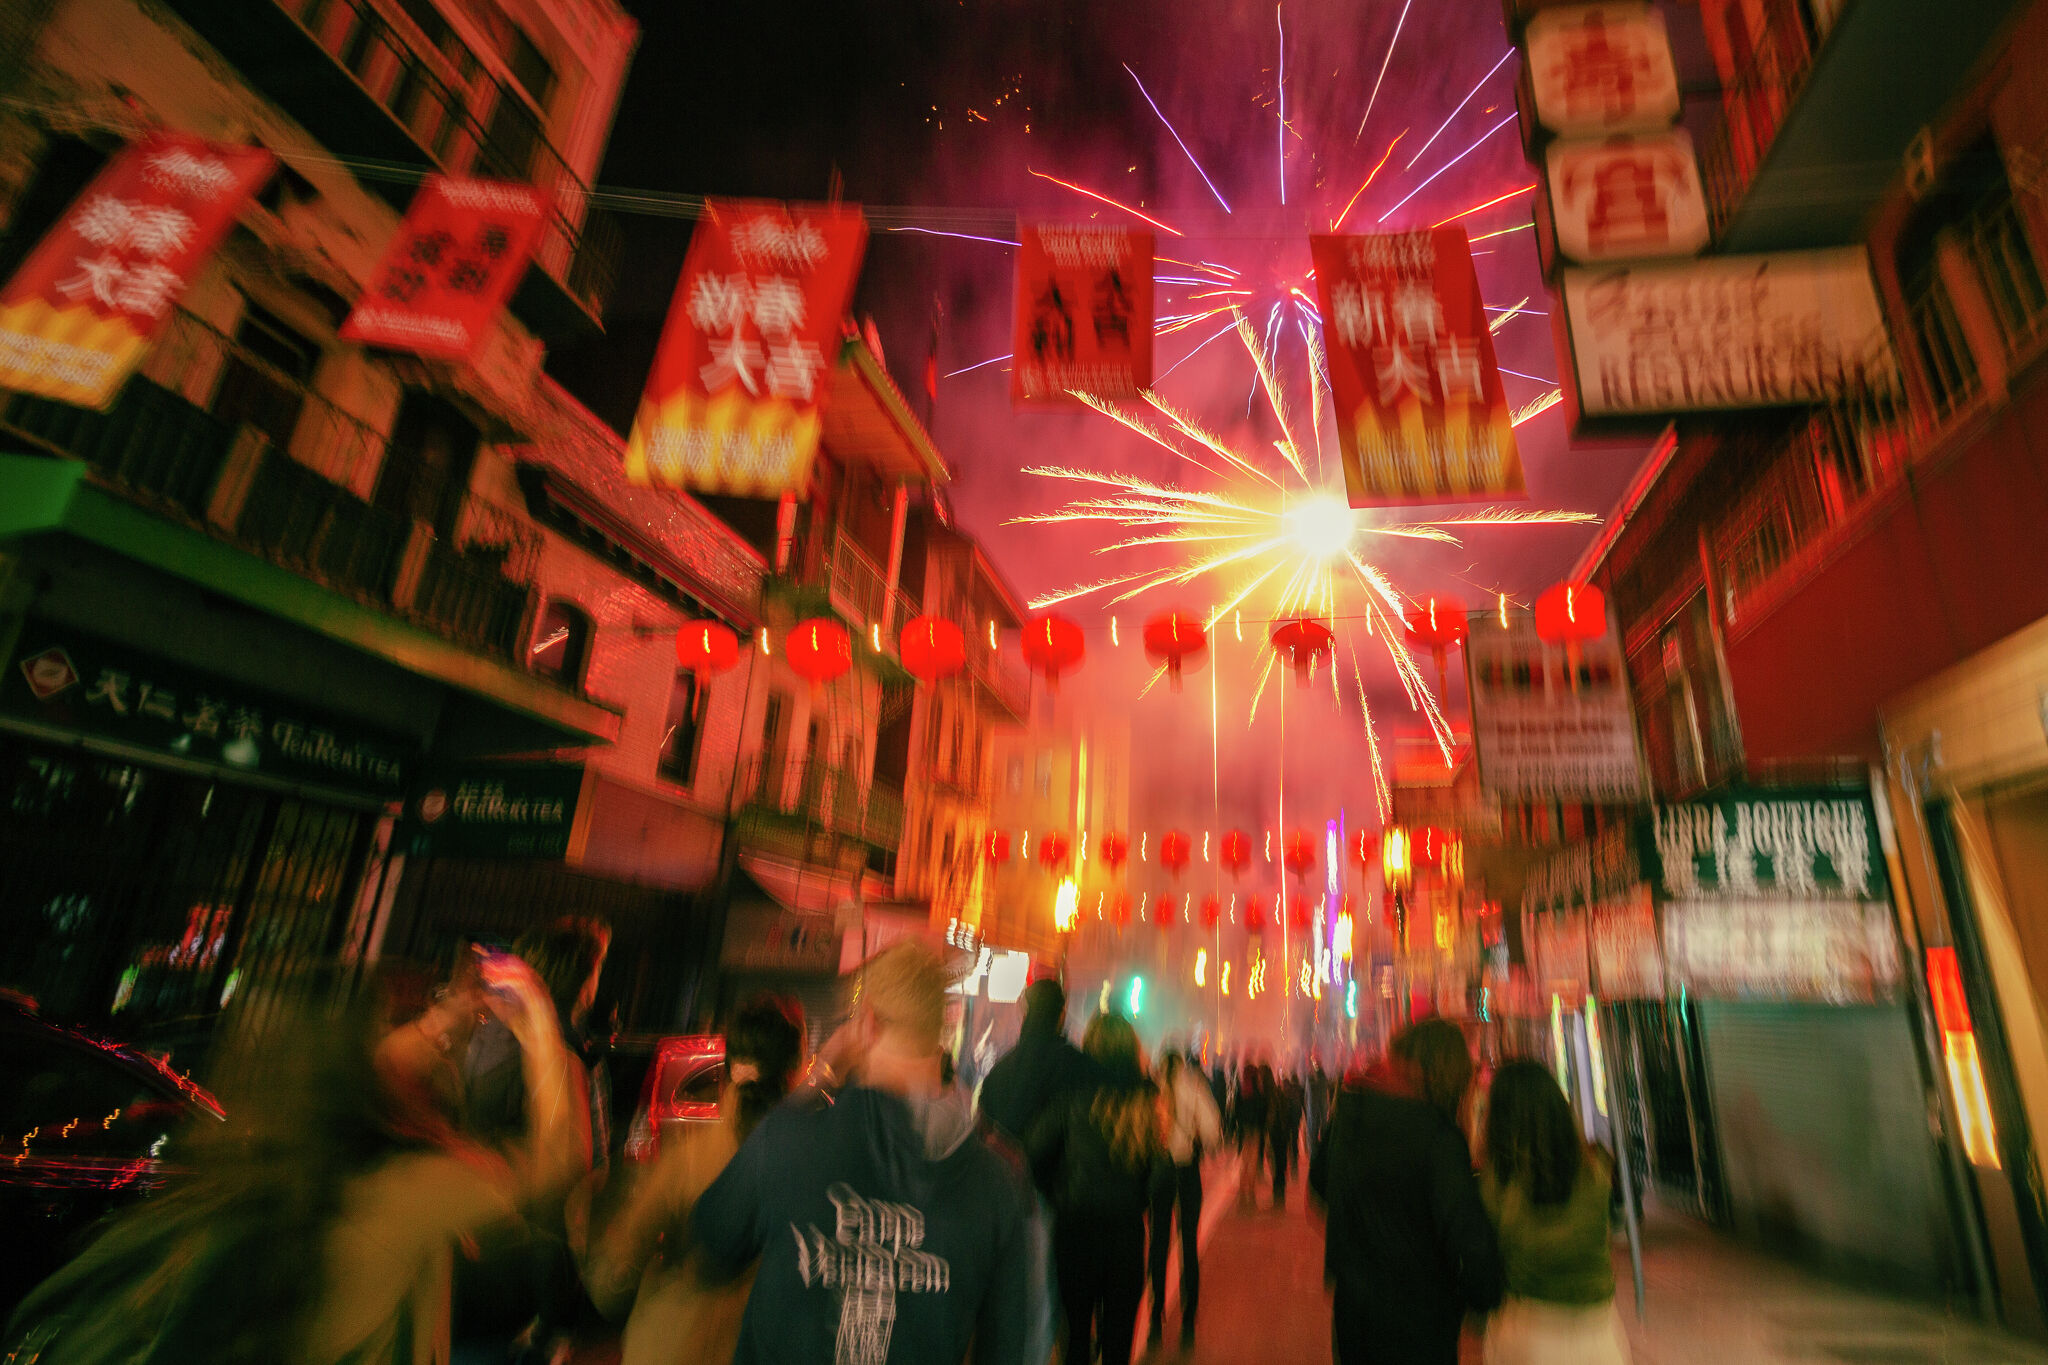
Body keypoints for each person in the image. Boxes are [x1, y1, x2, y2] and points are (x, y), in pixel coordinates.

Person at [3, 956, 587, 1365]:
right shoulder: (405, 1190)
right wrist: (537, 1017)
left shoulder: (223, 1175)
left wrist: (451, 1015)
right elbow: (555, 1161)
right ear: (358, 1060)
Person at [692, 940, 1042, 1365]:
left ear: (867, 1023)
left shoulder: (792, 1138)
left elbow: (714, 1235)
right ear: (941, 1031)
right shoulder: (997, 1182)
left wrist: (821, 1073)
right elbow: (1009, 1347)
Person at [585, 995, 807, 1365]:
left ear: (728, 1063)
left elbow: (615, 1272)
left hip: (674, 1345)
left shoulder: (689, 1158)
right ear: (796, 1068)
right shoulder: (815, 1162)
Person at [1310, 1019, 1503, 1365]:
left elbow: (1319, 1187)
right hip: (1420, 1318)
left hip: (1353, 1309)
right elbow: (1465, 1234)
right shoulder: (1438, 1137)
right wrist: (1485, 1297)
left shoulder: (1350, 1115)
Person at [1027, 1012, 1161, 1365]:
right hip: (1127, 1233)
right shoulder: (1147, 1099)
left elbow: (1032, 1154)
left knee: (1075, 1339)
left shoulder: (1070, 1094)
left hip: (1076, 1228)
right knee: (1118, 1341)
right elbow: (1156, 1173)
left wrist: (1057, 1190)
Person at [1479, 1061, 1631, 1365]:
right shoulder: (1596, 1169)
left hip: (1527, 1329)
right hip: (1598, 1328)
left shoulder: (1496, 1181)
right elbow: (1612, 1225)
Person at [1149, 1050, 1222, 1349]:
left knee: (1158, 1241)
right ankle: (1188, 1321)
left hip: (1158, 1170)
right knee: (1188, 1243)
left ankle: (1155, 1317)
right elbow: (1212, 1132)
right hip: (1186, 1171)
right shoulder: (1193, 1087)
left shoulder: (1151, 1089)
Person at [976, 977, 1100, 1142]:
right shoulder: (1080, 1066)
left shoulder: (1000, 1070)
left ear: (1025, 1014)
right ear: (1062, 1015)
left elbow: (982, 1130)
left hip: (1006, 1165)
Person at [1234, 1061, 1271, 1208]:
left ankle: (1243, 1195)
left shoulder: (1241, 1091)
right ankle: (1251, 1195)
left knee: (1244, 1163)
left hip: (1244, 1131)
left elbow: (1236, 1112)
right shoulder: (1258, 1092)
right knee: (1253, 1164)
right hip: (1255, 1131)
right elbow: (1263, 1112)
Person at [1269, 1069, 1304, 1209]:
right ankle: (1280, 1197)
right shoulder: (1294, 1095)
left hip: (1279, 1136)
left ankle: (1278, 1198)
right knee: (1282, 1164)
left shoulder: (1279, 1099)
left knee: (1278, 1166)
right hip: (1287, 1132)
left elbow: (1272, 1119)